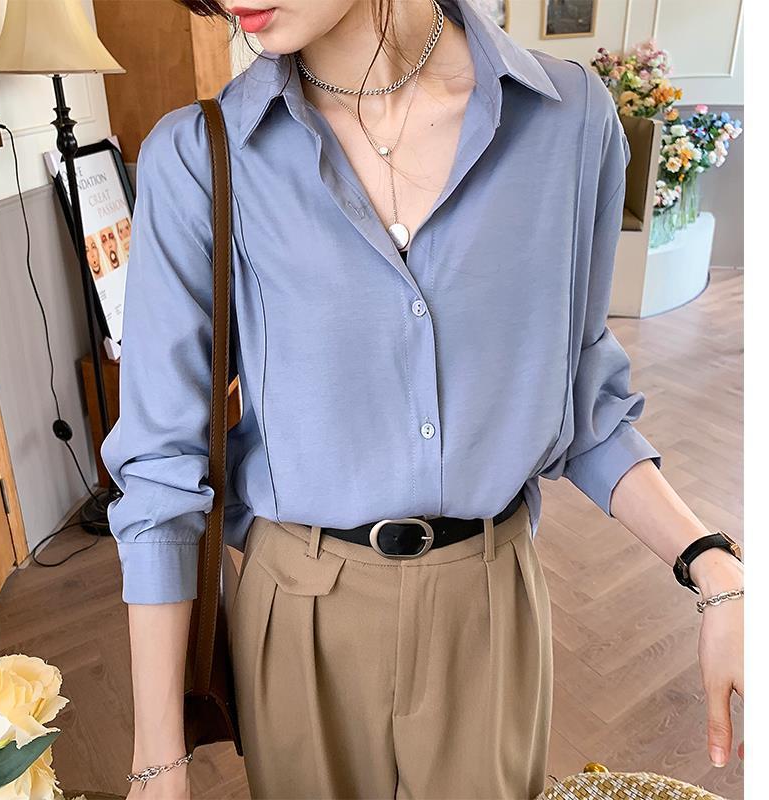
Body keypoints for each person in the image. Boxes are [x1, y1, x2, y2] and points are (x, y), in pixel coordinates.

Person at [100, 1, 745, 798]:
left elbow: (583, 401)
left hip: (489, 604)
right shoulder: (203, 154)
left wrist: (713, 565)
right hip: (298, 612)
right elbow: (162, 466)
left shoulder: (570, 122)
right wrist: (158, 759)